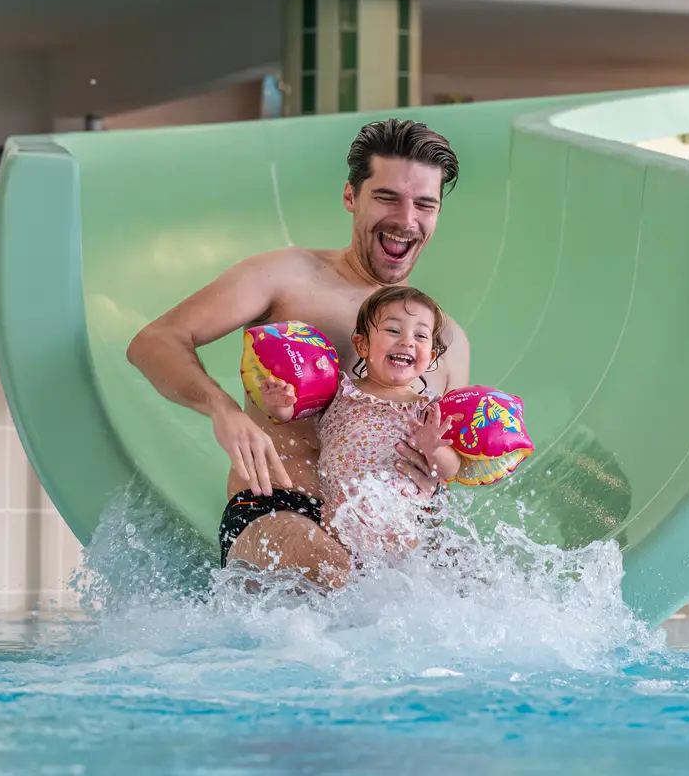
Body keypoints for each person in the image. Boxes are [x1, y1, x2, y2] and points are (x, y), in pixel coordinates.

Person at [126, 119, 471, 587]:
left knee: (477, 585)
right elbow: (155, 341)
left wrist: (434, 480)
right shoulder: (285, 277)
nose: (406, 220)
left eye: (424, 205)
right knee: (339, 571)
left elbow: (446, 471)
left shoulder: (444, 340)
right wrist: (223, 410)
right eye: (387, 197)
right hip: (277, 508)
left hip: (385, 536)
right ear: (351, 197)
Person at [255, 284, 462, 560]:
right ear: (362, 345)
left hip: (401, 537)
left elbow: (450, 469)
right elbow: (293, 416)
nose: (407, 341)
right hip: (338, 527)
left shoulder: (428, 410)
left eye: (420, 335)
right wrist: (280, 406)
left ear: (431, 356)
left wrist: (433, 448)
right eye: (393, 330)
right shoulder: (340, 390)